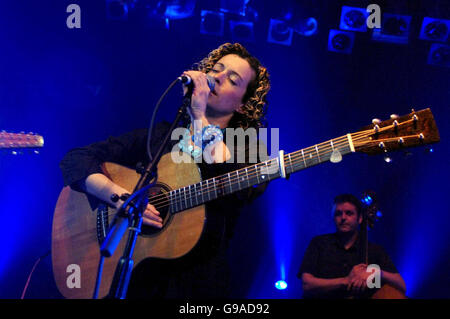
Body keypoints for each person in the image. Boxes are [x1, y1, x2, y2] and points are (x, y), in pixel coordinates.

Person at [59, 43, 271, 298]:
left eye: (232, 79)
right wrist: (119, 197)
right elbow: (76, 159)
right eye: (217, 69)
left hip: (196, 286)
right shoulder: (163, 134)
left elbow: (242, 186)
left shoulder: (249, 147)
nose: (217, 77)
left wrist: (198, 114)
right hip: (140, 282)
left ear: (242, 106)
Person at [298, 194, 406, 299]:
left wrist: (377, 273)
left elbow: (402, 286)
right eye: (338, 214)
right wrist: (346, 280)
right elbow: (307, 284)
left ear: (360, 219)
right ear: (333, 218)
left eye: (349, 213)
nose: (343, 217)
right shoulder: (319, 243)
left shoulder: (375, 251)